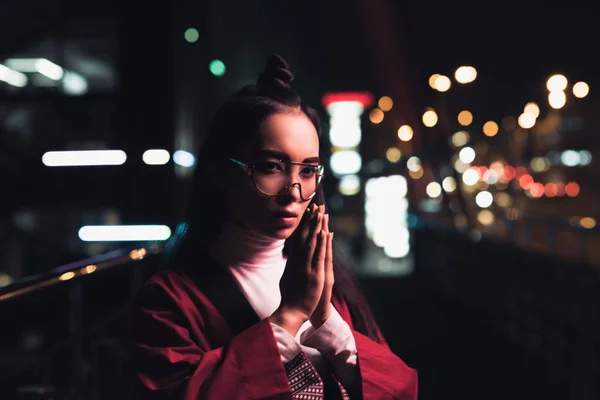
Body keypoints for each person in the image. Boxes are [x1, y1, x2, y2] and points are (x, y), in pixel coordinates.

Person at [130, 54, 417, 399]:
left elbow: (399, 389)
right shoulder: (170, 299)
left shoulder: (326, 284)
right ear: (220, 171)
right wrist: (290, 315)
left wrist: (328, 325)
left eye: (308, 171)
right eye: (271, 167)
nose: (294, 192)